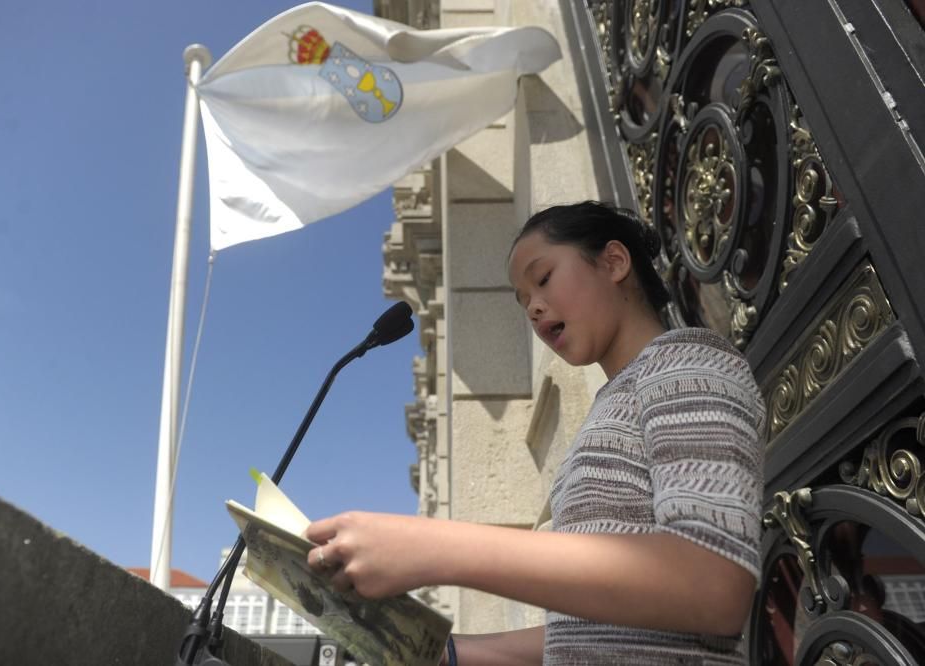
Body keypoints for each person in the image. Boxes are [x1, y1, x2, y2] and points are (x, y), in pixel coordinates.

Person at [304, 200, 766, 665]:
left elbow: (714, 582)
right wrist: (441, 653)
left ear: (614, 262)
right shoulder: (613, 403)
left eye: (542, 279)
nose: (533, 308)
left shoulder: (688, 362)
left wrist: (432, 548)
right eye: (523, 300)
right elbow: (592, 636)